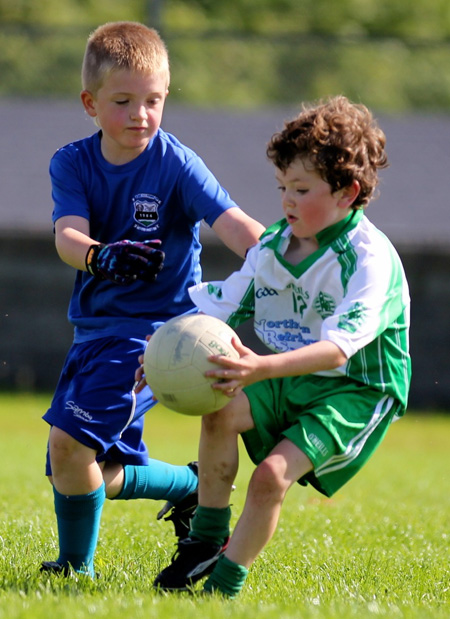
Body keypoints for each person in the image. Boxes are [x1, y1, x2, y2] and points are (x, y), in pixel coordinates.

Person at [145, 95, 411, 597]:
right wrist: (158, 356)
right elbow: (220, 307)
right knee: (219, 410)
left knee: (270, 477)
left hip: (355, 387)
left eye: (302, 188)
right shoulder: (272, 247)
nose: (286, 200)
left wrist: (261, 367)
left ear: (348, 193)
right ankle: (204, 543)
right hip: (285, 371)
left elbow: (337, 351)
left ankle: (223, 586)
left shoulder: (370, 261)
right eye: (282, 186)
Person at [40, 21, 265, 578]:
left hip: (157, 337)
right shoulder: (71, 163)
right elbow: (67, 235)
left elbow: (233, 223)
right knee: (94, 469)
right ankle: (191, 486)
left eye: (154, 100)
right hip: (94, 331)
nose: (140, 114)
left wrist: (279, 259)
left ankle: (74, 571)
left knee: (69, 450)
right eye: (123, 101)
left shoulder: (176, 162)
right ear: (90, 103)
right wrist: (100, 255)